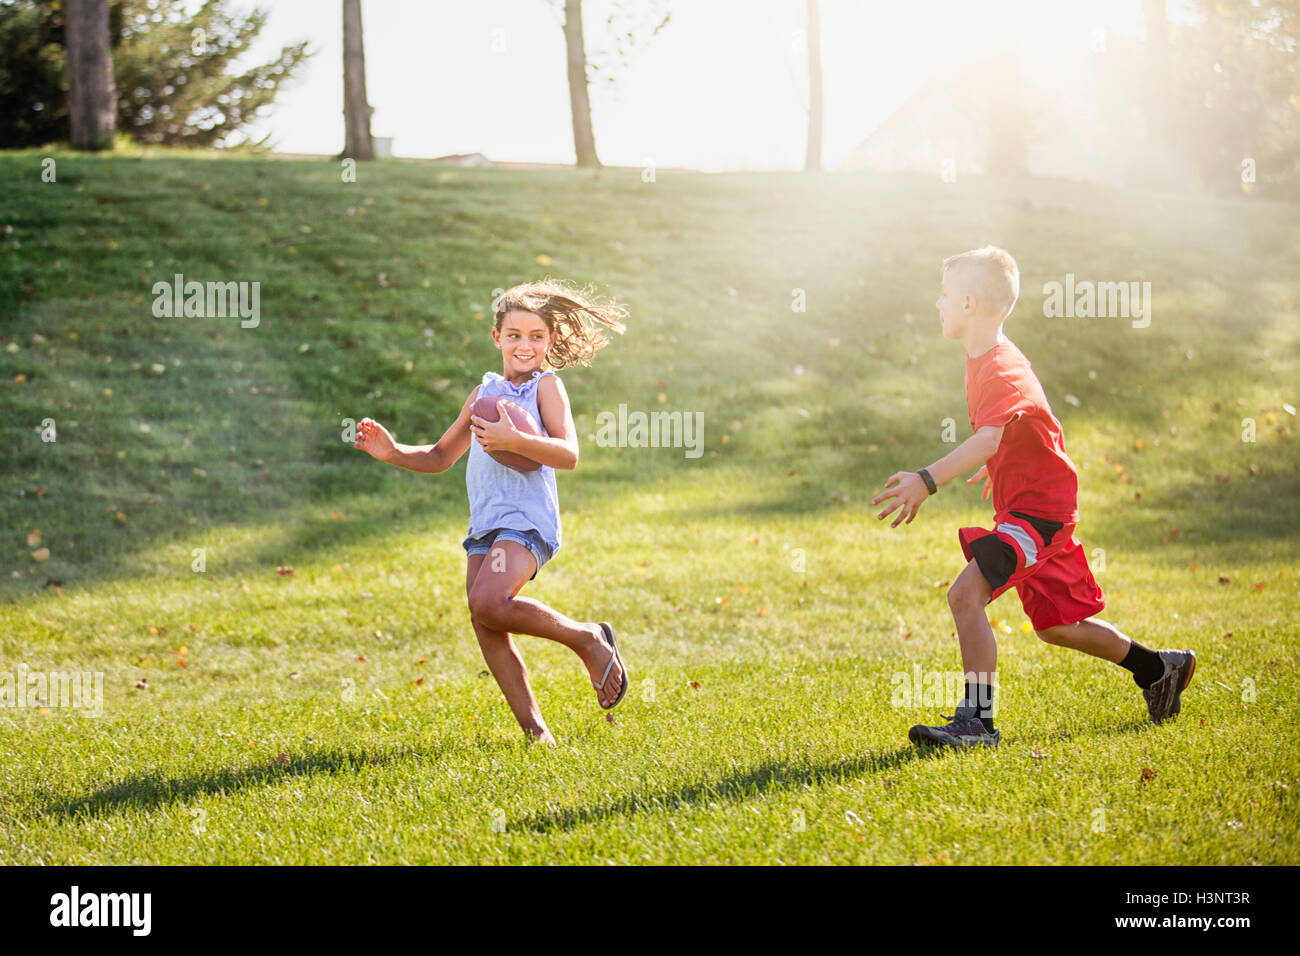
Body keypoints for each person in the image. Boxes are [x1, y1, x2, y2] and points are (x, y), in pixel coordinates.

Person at [871, 246, 1195, 749]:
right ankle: (1158, 669)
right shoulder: (982, 359)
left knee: (965, 595)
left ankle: (977, 723)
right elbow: (1015, 431)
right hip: (1037, 507)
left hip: (1037, 515)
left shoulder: (1000, 366)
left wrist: (926, 479)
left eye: (945, 294)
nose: (938, 302)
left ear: (970, 303)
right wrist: (1000, 467)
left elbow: (987, 438)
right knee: (1057, 626)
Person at [354, 279, 629, 745]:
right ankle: (536, 733)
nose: (525, 345)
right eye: (515, 334)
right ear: (497, 337)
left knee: (488, 601)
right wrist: (394, 451)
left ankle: (586, 639)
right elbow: (441, 456)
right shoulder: (483, 393)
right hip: (485, 523)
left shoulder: (547, 386)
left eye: (537, 336)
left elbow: (568, 453)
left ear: (551, 342)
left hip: (526, 520)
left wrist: (515, 441)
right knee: (485, 620)